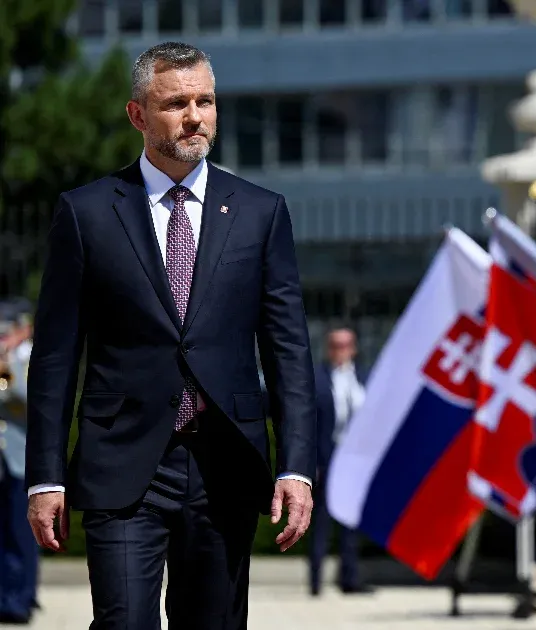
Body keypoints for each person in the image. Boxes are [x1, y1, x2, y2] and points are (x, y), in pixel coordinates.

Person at [24, 42, 316, 628]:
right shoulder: (86, 213)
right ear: (138, 114)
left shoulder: (260, 212)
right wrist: (45, 476)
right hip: (123, 460)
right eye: (176, 103)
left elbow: (288, 349)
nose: (194, 117)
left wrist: (296, 466)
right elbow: (55, 356)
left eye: (205, 101)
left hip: (225, 464)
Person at [309, 328, 373, 597]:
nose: (340, 350)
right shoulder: (318, 378)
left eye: (345, 345)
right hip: (327, 458)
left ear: (353, 348)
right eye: (335, 345)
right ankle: (315, 581)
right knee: (321, 521)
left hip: (355, 460)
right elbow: (309, 424)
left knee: (350, 521)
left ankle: (350, 579)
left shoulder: (365, 377)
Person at [0, 300, 39, 623]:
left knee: (20, 532)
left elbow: (27, 397)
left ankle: (21, 598)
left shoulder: (29, 358)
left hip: (20, 457)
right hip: (2, 459)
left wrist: (7, 362)